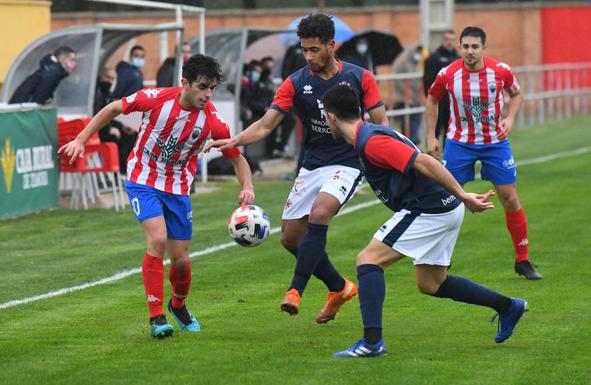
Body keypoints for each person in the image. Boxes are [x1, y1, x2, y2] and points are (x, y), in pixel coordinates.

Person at [206, 13, 389, 323]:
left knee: (319, 214)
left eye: (314, 50)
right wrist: (233, 140)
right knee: (291, 237)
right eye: (304, 50)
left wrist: (382, 159)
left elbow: (381, 123)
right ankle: (339, 287)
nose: (308, 56)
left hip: (347, 163)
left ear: (331, 45)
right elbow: (266, 126)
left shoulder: (361, 78)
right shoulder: (296, 82)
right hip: (312, 165)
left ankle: (295, 291)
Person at [321, 84, 528, 358]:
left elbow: (424, 162)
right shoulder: (366, 135)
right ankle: (507, 306)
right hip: (441, 207)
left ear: (331, 117)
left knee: (368, 260)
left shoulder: (371, 141)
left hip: (430, 208)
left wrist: (463, 194)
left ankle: (372, 343)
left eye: (324, 116)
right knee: (431, 284)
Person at [59, 55, 255, 338]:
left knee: (181, 260)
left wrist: (247, 185)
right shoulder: (156, 98)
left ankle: (178, 304)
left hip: (177, 188)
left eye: (212, 88)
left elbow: (237, 159)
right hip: (142, 179)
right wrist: (80, 138)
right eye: (203, 87)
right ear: (184, 83)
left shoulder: (213, 122)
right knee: (158, 240)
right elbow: (114, 108)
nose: (208, 95)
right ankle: (156, 317)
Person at [426, 26, 542, 280]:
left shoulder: (500, 71)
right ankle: (440, 258)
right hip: (459, 143)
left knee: (510, 198)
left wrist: (510, 119)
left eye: (474, 46)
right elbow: (432, 98)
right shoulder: (448, 74)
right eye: (465, 46)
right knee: (447, 199)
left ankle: (522, 260)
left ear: (483, 48)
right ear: (460, 47)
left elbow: (516, 94)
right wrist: (432, 136)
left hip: (495, 143)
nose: (469, 51)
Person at [93, 67, 137, 172]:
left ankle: (125, 170)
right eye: (107, 77)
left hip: (105, 127)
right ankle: (117, 170)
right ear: (100, 77)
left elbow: (110, 117)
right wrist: (109, 129)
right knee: (115, 138)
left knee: (132, 135)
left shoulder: (107, 94)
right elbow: (97, 115)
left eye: (112, 79)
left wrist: (122, 126)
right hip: (98, 130)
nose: (109, 81)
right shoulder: (96, 93)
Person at [423, 30, 459, 146]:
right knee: (434, 131)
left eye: (452, 40)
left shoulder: (458, 59)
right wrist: (431, 100)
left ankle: (448, 159)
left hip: (454, 103)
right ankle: (430, 158)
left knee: (451, 133)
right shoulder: (433, 58)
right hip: (437, 102)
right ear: (443, 40)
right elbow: (427, 80)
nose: (449, 42)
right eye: (447, 39)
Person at [9, 46, 77, 105]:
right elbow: (40, 98)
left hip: (20, 107)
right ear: (62, 58)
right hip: (21, 110)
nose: (74, 63)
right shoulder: (52, 73)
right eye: (72, 60)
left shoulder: (51, 70)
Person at [391, 44, 424, 144]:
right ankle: (409, 141)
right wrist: (409, 96)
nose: (418, 55)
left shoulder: (414, 63)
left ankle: (413, 140)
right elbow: (399, 82)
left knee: (416, 117)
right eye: (417, 52)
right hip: (402, 98)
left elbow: (417, 82)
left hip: (414, 98)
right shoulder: (402, 62)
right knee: (408, 122)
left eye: (420, 53)